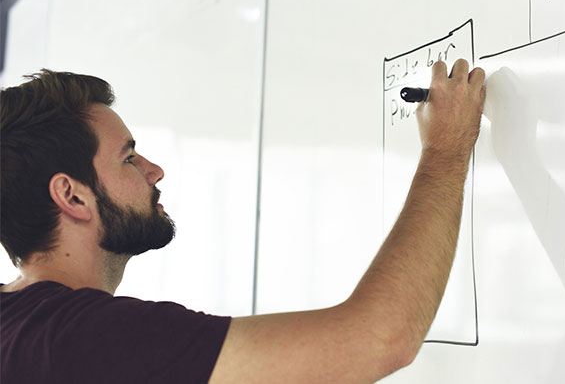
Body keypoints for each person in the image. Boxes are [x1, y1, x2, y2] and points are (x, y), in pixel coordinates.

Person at [0, 59, 486, 383]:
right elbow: (381, 338)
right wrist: (445, 151)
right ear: (72, 196)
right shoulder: (86, 337)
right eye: (128, 159)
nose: (154, 170)